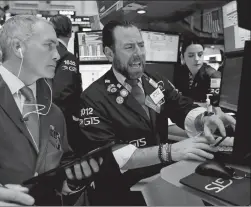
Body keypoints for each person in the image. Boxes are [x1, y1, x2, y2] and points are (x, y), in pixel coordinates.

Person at [74, 20, 236, 205]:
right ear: (109, 53)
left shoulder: (154, 81)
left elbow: (181, 106)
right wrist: (169, 151)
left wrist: (204, 118)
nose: (139, 54)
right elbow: (112, 155)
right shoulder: (93, 98)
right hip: (121, 193)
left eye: (141, 45)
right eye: (129, 47)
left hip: (159, 182)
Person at [0, 15, 101, 206]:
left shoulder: (53, 111)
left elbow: (63, 161)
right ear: (18, 48)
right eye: (49, 45)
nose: (57, 55)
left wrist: (71, 181)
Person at [49, 14, 83, 149]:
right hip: (60, 124)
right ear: (70, 32)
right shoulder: (67, 57)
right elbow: (61, 93)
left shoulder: (44, 52)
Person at [174, 38, 221, 103]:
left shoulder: (213, 76)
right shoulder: (179, 73)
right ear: (182, 58)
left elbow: (215, 105)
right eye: (191, 55)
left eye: (200, 55)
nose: (196, 59)